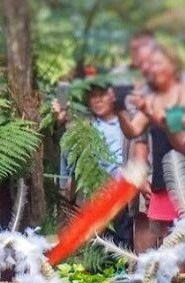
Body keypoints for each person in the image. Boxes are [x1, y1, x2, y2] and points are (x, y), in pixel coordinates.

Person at [119, 44, 185, 250]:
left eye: (157, 63)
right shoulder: (152, 98)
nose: (152, 69)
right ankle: (173, 281)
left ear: (173, 65)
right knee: (169, 244)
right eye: (150, 65)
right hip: (161, 179)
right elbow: (133, 130)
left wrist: (152, 111)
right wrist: (119, 107)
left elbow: (176, 126)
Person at [55, 76, 150, 248]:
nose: (98, 99)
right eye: (93, 96)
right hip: (95, 192)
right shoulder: (84, 126)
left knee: (125, 239)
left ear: (112, 96)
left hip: (124, 191)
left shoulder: (130, 121)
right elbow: (66, 141)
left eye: (103, 94)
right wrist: (65, 184)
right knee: (97, 243)